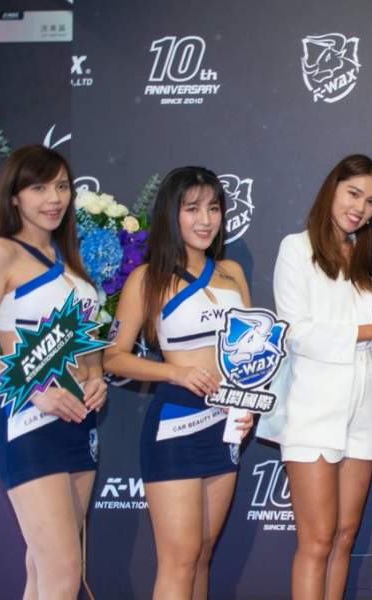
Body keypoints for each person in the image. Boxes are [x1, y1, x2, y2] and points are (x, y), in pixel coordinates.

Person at [0, 144, 106, 600]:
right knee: (63, 574)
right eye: (39, 188)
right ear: (15, 196)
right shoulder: (1, 254)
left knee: (43, 573)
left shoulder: (68, 258)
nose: (54, 198)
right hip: (31, 423)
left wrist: (96, 377)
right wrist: (35, 390)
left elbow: (87, 343)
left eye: (61, 186)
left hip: (79, 423)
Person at [103, 166, 253, 600]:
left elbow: (252, 351)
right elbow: (113, 357)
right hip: (175, 423)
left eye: (213, 208)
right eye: (192, 209)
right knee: (179, 558)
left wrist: (247, 404)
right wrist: (176, 372)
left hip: (225, 426)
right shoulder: (147, 278)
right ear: (172, 213)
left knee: (202, 554)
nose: (205, 220)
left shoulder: (231, 273)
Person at [265, 154, 372, 599]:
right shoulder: (296, 249)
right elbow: (294, 332)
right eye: (353, 194)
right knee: (317, 540)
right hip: (311, 410)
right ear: (332, 188)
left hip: (363, 411)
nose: (360, 208)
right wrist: (368, 330)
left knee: (345, 535)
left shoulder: (368, 258)